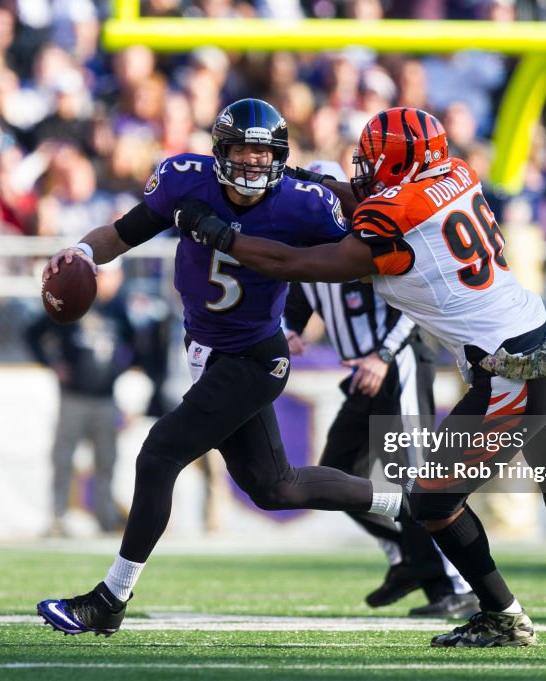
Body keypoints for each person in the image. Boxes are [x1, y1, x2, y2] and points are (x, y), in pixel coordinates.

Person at [178, 106, 546, 647]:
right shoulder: (454, 175)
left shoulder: (396, 218)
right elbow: (374, 202)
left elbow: (298, 261)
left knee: (431, 498)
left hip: (513, 372)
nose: (363, 169)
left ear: (399, 166)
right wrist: (303, 180)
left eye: (373, 161)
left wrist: (222, 235)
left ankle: (503, 615)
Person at [35, 99, 407, 637]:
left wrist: (346, 200)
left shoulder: (307, 205)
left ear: (279, 156)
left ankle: (110, 598)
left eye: (263, 152)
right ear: (220, 152)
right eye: (242, 150)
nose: (253, 163)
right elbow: (121, 232)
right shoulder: (186, 181)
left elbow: (365, 254)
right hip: (208, 351)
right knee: (275, 487)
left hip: (255, 357)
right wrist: (81, 253)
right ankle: (411, 502)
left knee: (159, 454)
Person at [283, 160, 477, 618]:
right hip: (364, 377)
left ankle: (458, 583)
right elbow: (296, 306)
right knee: (334, 477)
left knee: (421, 480)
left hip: (400, 362)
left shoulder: (371, 234)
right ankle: (407, 557)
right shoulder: (308, 249)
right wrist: (289, 332)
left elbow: (417, 297)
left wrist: (383, 355)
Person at [25, 259, 134, 537]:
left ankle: (105, 517)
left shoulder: (119, 309)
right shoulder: (74, 301)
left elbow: (135, 344)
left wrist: (118, 370)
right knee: (63, 458)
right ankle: (58, 517)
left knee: (106, 460)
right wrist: (52, 363)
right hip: (73, 396)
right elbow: (33, 332)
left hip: (105, 397)